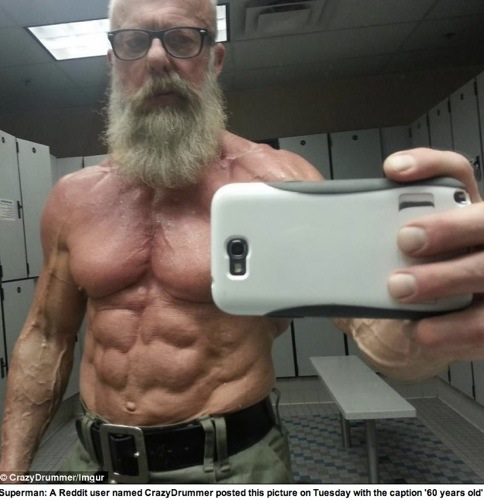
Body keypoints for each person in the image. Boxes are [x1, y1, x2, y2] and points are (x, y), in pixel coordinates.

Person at [1, 0, 483, 484]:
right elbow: (46, 335)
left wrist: (432, 325)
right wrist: (12, 473)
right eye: (133, 42)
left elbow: (369, 327)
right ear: (113, 62)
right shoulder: (75, 198)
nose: (156, 58)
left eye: (181, 39)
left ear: (215, 59)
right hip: (93, 462)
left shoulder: (276, 184)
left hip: (230, 469)